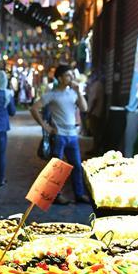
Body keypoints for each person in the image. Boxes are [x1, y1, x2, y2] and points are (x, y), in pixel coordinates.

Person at [31, 64, 91, 204]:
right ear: (59, 78)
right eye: (68, 75)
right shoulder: (51, 95)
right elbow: (34, 108)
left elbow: (85, 108)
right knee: (57, 167)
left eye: (71, 75)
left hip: (73, 135)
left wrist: (78, 91)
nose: (71, 78)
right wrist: (45, 126)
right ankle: (56, 195)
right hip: (59, 135)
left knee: (76, 165)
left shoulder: (73, 93)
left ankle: (79, 194)